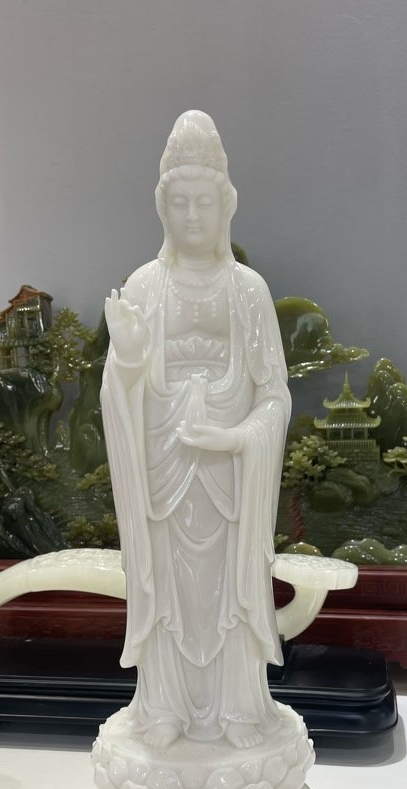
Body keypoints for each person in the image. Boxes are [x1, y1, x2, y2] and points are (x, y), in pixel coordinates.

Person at [100, 111, 290, 749]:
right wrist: (129, 360)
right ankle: (163, 707)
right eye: (178, 203)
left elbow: (274, 394)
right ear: (162, 206)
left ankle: (239, 709)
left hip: (231, 475)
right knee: (166, 586)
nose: (191, 216)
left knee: (230, 590)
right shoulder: (144, 285)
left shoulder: (249, 290)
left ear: (226, 204)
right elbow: (119, 388)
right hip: (164, 469)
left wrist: (240, 439)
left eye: (203, 202)